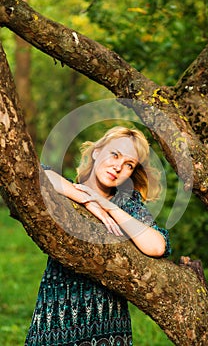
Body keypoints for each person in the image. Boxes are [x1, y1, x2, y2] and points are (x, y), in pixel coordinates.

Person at [25, 126, 171, 346]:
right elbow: (32, 171)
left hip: (106, 329)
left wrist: (107, 206)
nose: (118, 167)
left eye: (128, 164)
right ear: (96, 152)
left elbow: (157, 246)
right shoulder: (66, 191)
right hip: (54, 321)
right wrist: (86, 199)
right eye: (115, 154)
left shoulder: (127, 206)